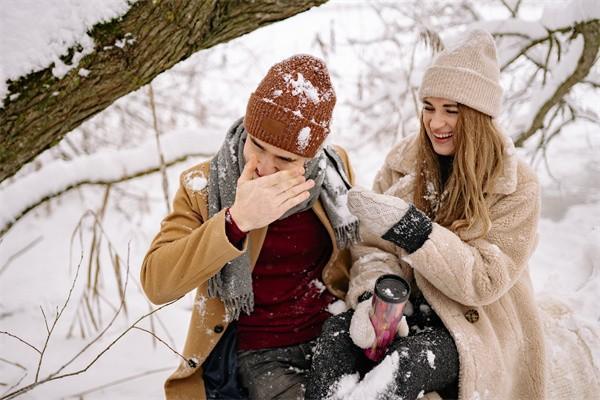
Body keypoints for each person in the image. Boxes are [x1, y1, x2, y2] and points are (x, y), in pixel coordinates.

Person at [306, 29, 546, 400]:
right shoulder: (403, 163)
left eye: (451, 110)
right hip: (405, 307)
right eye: (429, 107)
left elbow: (484, 280)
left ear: (478, 116)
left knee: (408, 363)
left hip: (474, 323)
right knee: (335, 339)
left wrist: (417, 233)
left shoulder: (515, 185)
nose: (436, 123)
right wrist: (375, 295)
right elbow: (373, 247)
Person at [140, 54, 359, 400]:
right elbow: (156, 283)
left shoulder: (333, 170)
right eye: (256, 145)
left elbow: (360, 253)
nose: (264, 167)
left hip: (335, 330)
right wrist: (235, 221)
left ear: (312, 154)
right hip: (263, 351)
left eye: (285, 159)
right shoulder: (203, 186)